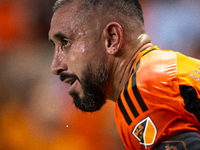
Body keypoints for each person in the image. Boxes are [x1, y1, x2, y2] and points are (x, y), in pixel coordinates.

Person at [48, 0, 200, 149]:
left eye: (66, 43)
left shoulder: (144, 89)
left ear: (112, 39)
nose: (55, 66)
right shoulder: (169, 70)